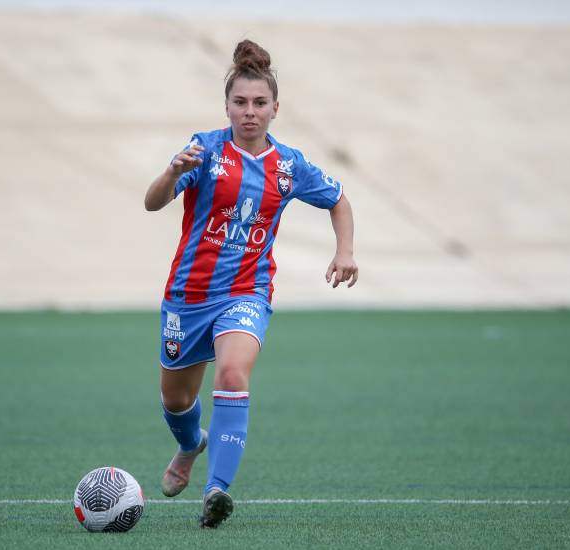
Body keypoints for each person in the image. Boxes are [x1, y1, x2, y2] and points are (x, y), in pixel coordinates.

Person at [144, 39, 358, 527]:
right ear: (227, 107)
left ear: (275, 109)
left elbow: (340, 200)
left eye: (260, 103)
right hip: (187, 296)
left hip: (246, 293)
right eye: (240, 102)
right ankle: (190, 444)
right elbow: (152, 203)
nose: (250, 112)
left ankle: (216, 492)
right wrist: (171, 171)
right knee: (176, 401)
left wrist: (344, 251)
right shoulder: (203, 150)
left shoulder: (289, 166)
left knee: (233, 376)